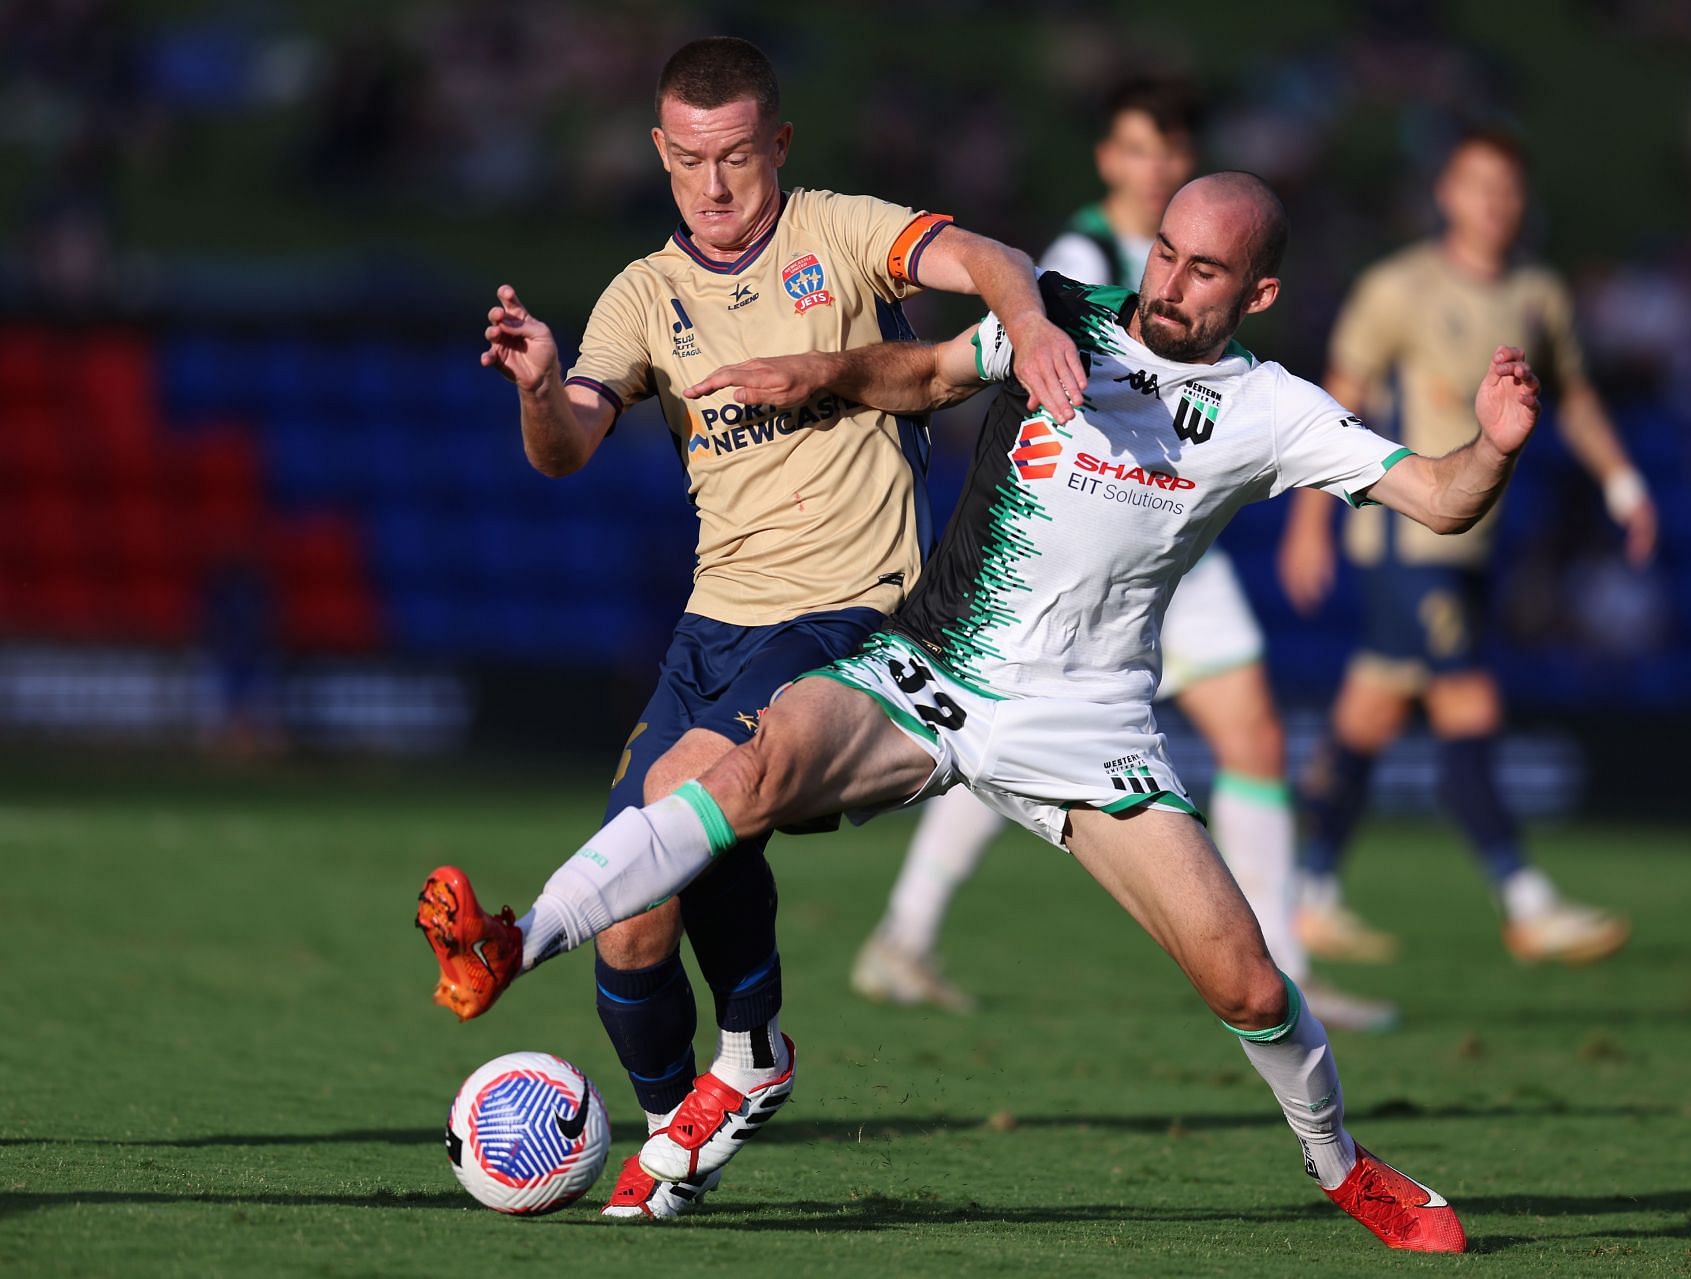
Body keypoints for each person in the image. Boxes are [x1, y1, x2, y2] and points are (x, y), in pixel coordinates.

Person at [418, 171, 1547, 1254]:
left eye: (1207, 271)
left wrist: (1491, 444)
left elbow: (1439, 499)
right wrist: (820, 373)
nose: (1170, 282)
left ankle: (1343, 1164)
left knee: (1247, 983)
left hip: (1088, 725)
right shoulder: (1064, 321)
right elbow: (923, 375)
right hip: (933, 672)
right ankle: (515, 944)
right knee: (742, 777)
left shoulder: (1272, 409)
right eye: (1164, 251)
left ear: (1256, 296)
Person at [450, 36, 1086, 1223]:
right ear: (658, 153)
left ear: (778, 145)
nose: (715, 185)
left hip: (851, 611)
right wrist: (540, 388)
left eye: (738, 156)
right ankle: (669, 1138)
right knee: (635, 919)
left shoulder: (839, 232)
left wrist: (1031, 323)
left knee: (688, 796)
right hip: (712, 626)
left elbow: (993, 256)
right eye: (690, 161)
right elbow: (564, 452)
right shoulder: (642, 295)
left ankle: (749, 1045)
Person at [851, 78, 1397, 1032]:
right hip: (1085, 547)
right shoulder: (1075, 262)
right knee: (1015, 731)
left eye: (1172, 152)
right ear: (1110, 160)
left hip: (1165, 548)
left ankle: (1281, 960)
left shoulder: (1199, 264)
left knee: (1249, 736)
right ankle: (904, 931)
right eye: (1141, 151)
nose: (1159, 169)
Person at [1279, 129, 1658, 965]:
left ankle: (1308, 891)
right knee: (1467, 702)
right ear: (1447, 193)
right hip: (1407, 536)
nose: (1494, 203)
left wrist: (1623, 480)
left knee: (1369, 714)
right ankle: (1525, 900)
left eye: (1508, 189)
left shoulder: (1536, 292)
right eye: (1478, 186)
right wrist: (1311, 524)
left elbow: (1576, 399)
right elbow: (1330, 407)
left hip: (1475, 543)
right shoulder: (1397, 288)